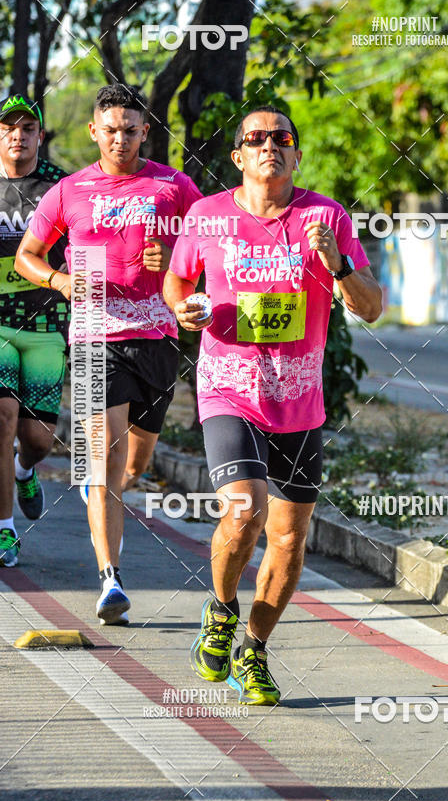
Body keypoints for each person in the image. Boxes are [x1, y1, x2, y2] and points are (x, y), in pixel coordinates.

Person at [163, 105, 382, 705]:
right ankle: (220, 608)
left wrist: (335, 263)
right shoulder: (206, 217)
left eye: (281, 138)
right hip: (228, 389)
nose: (269, 147)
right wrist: (185, 309)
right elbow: (177, 285)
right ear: (238, 156)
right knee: (245, 510)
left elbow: (371, 307)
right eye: (255, 139)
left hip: (299, 402)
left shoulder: (325, 216)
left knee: (289, 540)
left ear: (295, 153)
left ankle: (253, 652)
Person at [15, 84, 202, 623]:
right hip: (96, 336)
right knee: (103, 459)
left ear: (146, 132)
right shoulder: (70, 190)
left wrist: (174, 257)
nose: (120, 139)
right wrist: (59, 280)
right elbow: (28, 254)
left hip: (158, 336)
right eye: (110, 130)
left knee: (135, 465)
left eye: (130, 130)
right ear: (93, 132)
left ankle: (101, 495)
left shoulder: (174, 185)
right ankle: (110, 579)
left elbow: (211, 245)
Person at [0, 94, 68, 568]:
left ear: (40, 136)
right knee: (1, 419)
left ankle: (25, 469)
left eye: (27, 128)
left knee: (38, 439)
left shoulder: (62, 187)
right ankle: (5, 529)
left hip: (47, 325)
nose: (17, 136)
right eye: (8, 128)